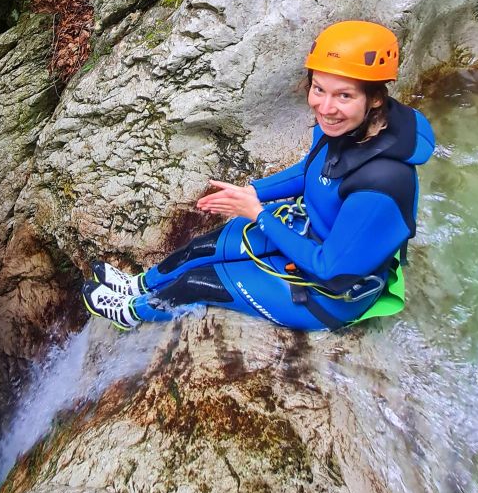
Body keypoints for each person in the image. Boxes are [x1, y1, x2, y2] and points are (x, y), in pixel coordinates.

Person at [82, 20, 435, 331]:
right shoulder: (346, 128)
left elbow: (330, 269)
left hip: (329, 294)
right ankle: (139, 285)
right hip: (308, 235)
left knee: (199, 282)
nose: (325, 108)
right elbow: (312, 171)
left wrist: (259, 215)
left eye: (344, 95)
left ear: (374, 98)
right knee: (202, 247)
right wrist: (250, 191)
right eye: (319, 89)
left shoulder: (383, 183)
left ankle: (132, 312)